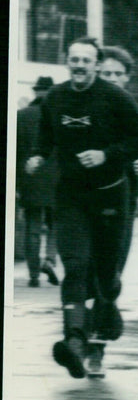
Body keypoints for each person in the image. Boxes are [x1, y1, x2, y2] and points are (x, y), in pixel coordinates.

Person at [26, 36, 138, 379]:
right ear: (67, 61)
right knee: (77, 266)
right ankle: (74, 342)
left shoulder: (117, 98)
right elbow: (46, 136)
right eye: (74, 59)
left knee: (106, 278)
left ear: (95, 65)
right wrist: (38, 155)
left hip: (111, 196)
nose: (80, 65)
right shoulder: (55, 97)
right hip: (71, 198)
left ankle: (105, 319)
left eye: (87, 60)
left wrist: (107, 155)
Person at [99, 46, 138, 272]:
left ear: (127, 77)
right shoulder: (85, 110)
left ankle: (107, 301)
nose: (113, 79)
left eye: (118, 74)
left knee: (118, 250)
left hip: (126, 191)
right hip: (91, 189)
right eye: (107, 74)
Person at [16, 76, 60, 288]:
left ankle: (33, 273)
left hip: (30, 178)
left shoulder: (21, 116)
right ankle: (50, 259)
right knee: (55, 224)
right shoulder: (58, 116)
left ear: (35, 92)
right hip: (57, 179)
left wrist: (16, 184)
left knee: (32, 226)